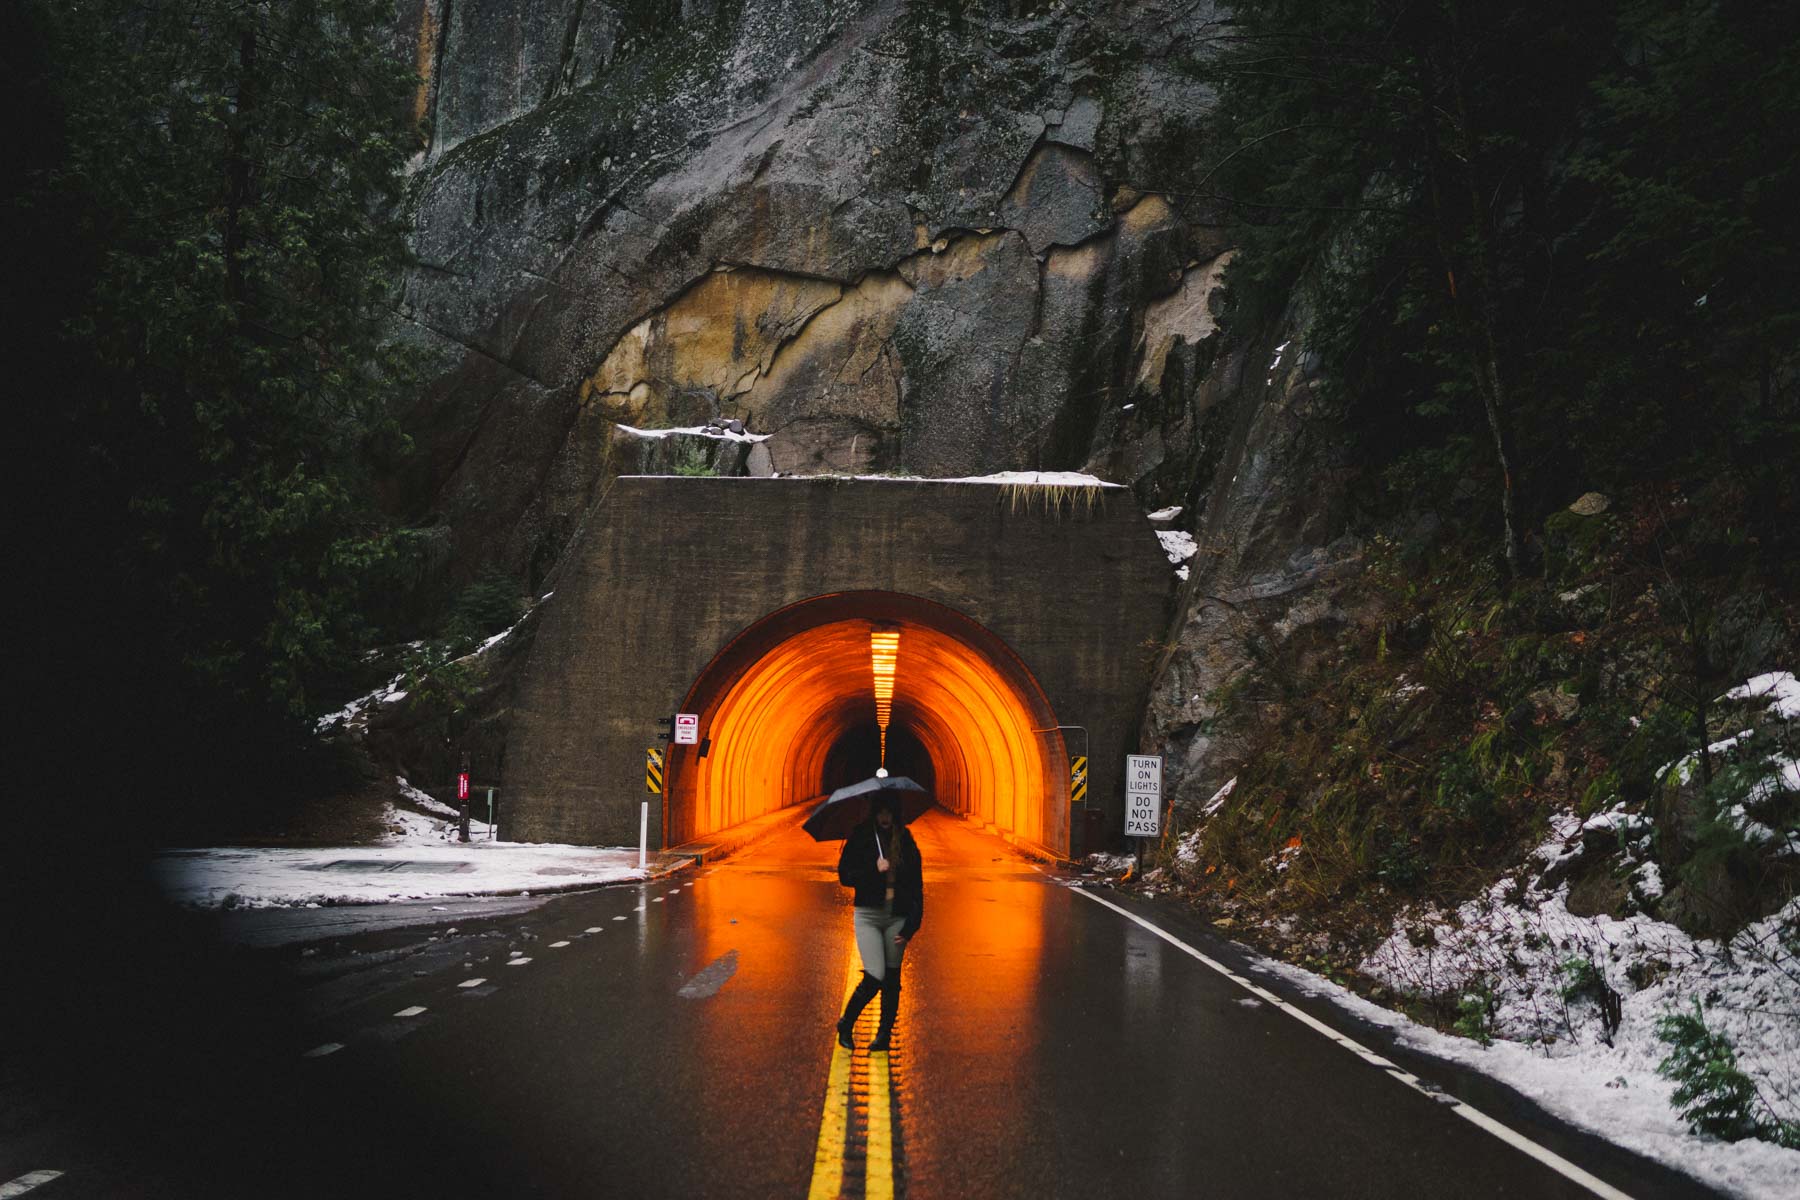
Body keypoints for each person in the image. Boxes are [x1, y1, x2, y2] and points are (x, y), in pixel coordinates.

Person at [834, 792, 923, 1052]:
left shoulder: (905, 841)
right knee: (875, 975)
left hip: (897, 915)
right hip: (869, 916)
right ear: (875, 813)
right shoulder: (861, 837)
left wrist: (911, 926)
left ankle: (883, 1035)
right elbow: (845, 876)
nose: (885, 817)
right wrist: (874, 870)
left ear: (895, 814)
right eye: (881, 812)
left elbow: (917, 886)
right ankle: (846, 1023)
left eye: (889, 812)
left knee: (892, 980)